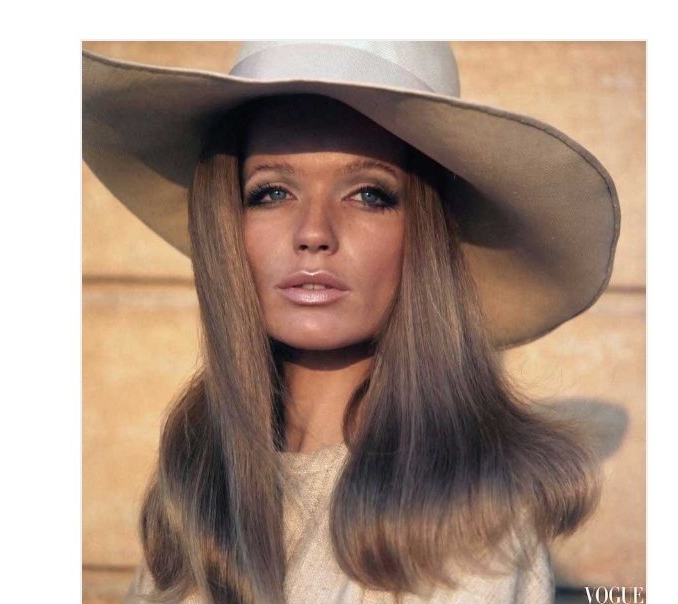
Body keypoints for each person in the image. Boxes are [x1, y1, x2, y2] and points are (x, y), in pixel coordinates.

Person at [82, 41, 620, 604]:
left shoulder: (464, 520)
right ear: (226, 222)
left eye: (369, 194)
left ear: (425, 233)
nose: (314, 232)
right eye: (272, 192)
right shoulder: (191, 492)